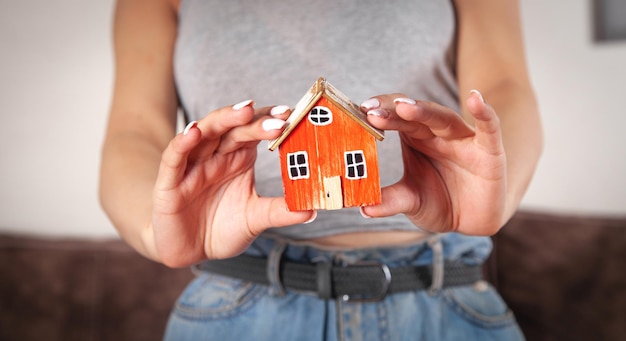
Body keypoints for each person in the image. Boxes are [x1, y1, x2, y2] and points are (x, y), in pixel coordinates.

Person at [99, 0, 542, 339]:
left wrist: (495, 193)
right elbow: (132, 133)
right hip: (237, 303)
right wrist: (158, 230)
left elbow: (505, 88)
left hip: (445, 297)